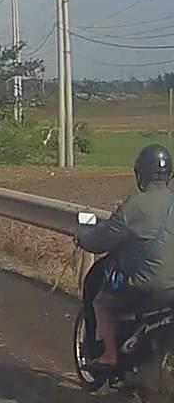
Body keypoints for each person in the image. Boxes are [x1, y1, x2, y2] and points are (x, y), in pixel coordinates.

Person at [77, 143, 174, 371]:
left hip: (147, 285)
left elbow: (101, 240)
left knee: (102, 303)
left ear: (141, 173)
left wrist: (82, 237)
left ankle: (110, 355)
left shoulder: (134, 207)